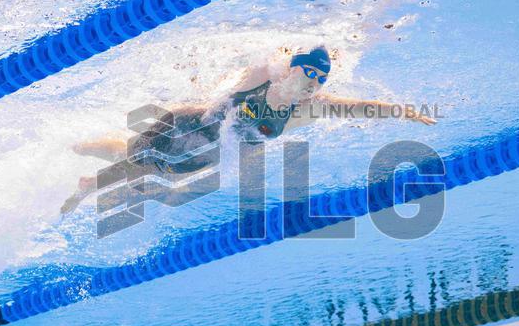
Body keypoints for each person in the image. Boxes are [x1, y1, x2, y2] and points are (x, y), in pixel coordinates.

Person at [60, 45, 439, 214]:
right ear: (292, 68)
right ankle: (81, 167)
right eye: (310, 73)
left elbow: (359, 107)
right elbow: (257, 53)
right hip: (186, 122)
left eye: (321, 79)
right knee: (137, 161)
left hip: (211, 150)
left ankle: (81, 165)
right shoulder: (262, 76)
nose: (315, 83)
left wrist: (404, 112)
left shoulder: (305, 109)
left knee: (155, 175)